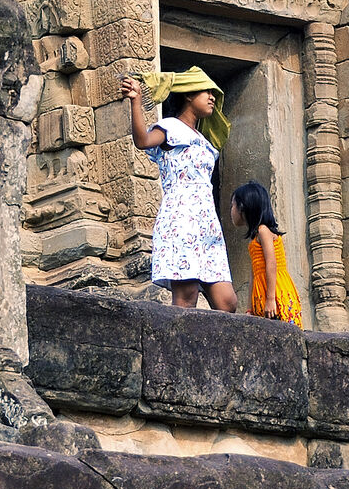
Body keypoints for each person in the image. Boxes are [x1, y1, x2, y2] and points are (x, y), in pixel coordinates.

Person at [120, 68, 238, 312]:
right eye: (206, 91)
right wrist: (136, 100)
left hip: (207, 224)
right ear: (187, 94)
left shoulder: (205, 140)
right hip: (181, 219)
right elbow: (142, 141)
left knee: (227, 303)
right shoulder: (170, 127)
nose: (212, 97)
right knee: (187, 298)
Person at [229, 179, 305, 326]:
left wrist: (270, 299)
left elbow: (271, 264)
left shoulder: (263, 231)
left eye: (233, 205)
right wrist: (250, 307)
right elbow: (253, 273)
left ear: (244, 207)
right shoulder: (255, 238)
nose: (231, 210)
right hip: (263, 292)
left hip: (275, 293)